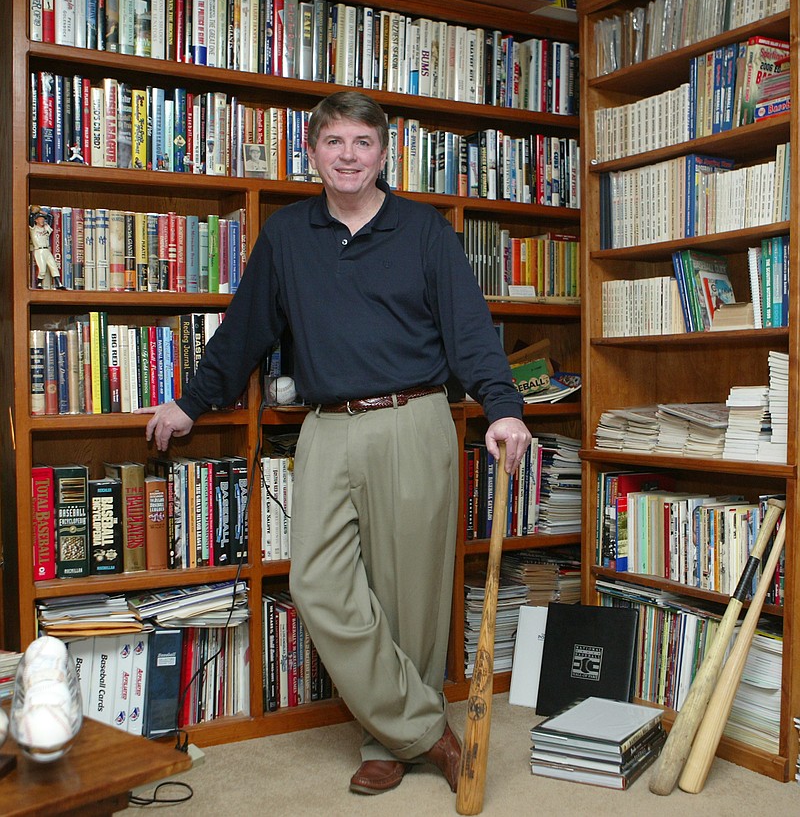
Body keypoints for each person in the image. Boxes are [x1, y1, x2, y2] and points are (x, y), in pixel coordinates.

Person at [137, 91, 531, 796]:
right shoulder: (287, 236)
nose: (348, 156)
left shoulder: (426, 232)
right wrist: (190, 400)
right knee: (317, 583)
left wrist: (503, 407)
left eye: (363, 143)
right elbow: (244, 331)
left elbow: (470, 330)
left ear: (384, 153)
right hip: (326, 427)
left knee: (408, 596)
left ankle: (387, 739)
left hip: (413, 420)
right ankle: (426, 729)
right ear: (311, 150)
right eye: (334, 143)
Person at [28, 205, 64, 289]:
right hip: (39, 250)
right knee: (42, 269)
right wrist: (34, 212)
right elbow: (30, 218)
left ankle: (59, 284)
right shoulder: (34, 228)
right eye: (40, 219)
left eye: (43, 219)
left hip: (46, 250)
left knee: (53, 266)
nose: (42, 220)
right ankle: (39, 284)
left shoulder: (46, 227)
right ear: (36, 220)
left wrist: (42, 213)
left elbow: (51, 217)